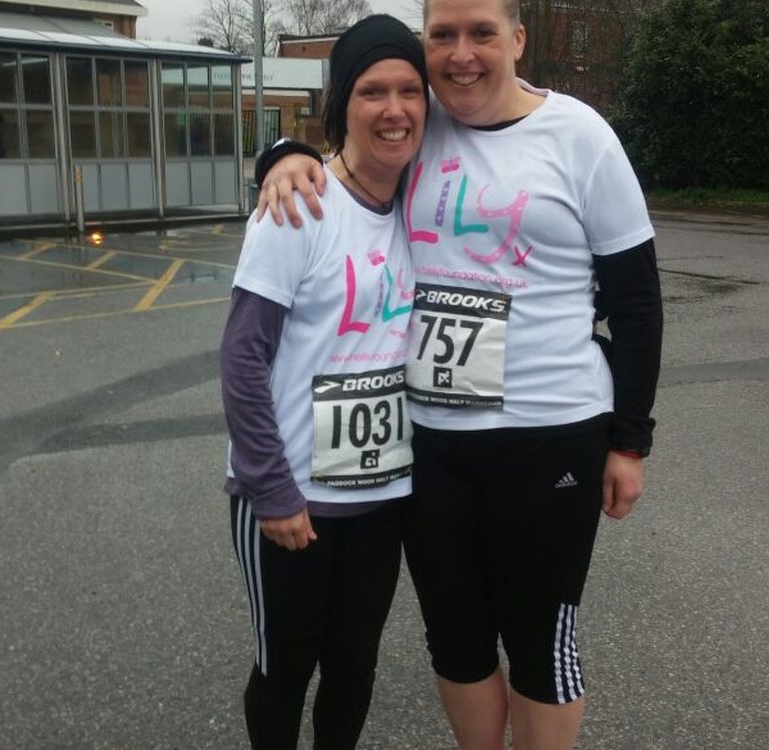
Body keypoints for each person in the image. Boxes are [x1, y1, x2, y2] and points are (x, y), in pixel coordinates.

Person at [253, 1, 664, 748]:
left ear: (517, 39)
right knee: (458, 640)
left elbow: (636, 302)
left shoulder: (580, 137)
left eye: (481, 33)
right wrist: (279, 154)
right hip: (434, 444)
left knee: (540, 644)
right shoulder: (424, 125)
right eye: (443, 36)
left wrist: (630, 441)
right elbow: (349, 138)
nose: (462, 54)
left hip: (552, 434)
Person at [220, 14, 429, 750]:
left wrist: (280, 149)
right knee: (286, 670)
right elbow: (242, 359)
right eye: (373, 90)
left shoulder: (420, 203)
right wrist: (272, 489)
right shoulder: (297, 207)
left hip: (382, 498)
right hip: (292, 501)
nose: (394, 108)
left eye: (410, 90)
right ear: (342, 104)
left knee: (355, 667)